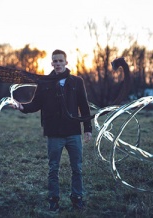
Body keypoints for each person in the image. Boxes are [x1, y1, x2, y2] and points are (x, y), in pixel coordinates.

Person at [11, 49, 92, 212]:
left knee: (77, 168)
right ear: (51, 63)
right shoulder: (44, 83)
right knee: (53, 168)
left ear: (66, 62)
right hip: (54, 133)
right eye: (55, 61)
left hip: (73, 132)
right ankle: (53, 200)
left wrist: (87, 129)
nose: (58, 64)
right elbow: (35, 104)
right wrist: (21, 106)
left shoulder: (77, 82)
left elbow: (84, 106)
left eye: (60, 61)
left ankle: (77, 198)